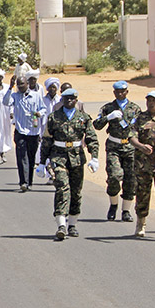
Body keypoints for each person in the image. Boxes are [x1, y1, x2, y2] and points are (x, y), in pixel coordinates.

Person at [37, 89, 99, 240]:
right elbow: (46, 140)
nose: (69, 101)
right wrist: (42, 162)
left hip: (77, 157)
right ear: (62, 100)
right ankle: (61, 225)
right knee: (62, 188)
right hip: (58, 156)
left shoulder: (83, 118)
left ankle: (72, 224)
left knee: (76, 192)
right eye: (66, 98)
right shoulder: (53, 117)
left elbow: (91, 138)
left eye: (72, 99)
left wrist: (94, 157)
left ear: (76, 100)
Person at [94, 80, 140, 221]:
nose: (120, 93)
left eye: (123, 91)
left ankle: (126, 210)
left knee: (130, 180)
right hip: (114, 146)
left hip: (131, 147)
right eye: (117, 91)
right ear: (114, 92)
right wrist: (108, 117)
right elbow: (96, 125)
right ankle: (113, 205)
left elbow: (141, 128)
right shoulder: (108, 108)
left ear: (127, 92)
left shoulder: (135, 109)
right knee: (114, 176)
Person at [129, 91, 155, 240]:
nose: (150, 103)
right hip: (144, 163)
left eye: (153, 100)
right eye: (148, 100)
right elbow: (131, 137)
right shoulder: (140, 119)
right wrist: (140, 146)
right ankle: (141, 223)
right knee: (143, 194)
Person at [4, 76, 47, 192]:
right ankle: (23, 182)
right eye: (18, 85)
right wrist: (10, 87)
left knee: (31, 158)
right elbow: (6, 102)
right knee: (22, 157)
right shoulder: (15, 96)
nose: (20, 87)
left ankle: (29, 182)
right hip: (20, 131)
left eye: (22, 84)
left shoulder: (36, 96)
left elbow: (44, 109)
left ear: (27, 84)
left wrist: (39, 113)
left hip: (33, 131)